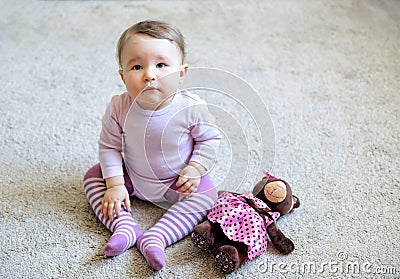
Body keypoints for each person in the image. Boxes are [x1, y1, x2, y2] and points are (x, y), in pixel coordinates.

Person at [83, 20, 221, 271]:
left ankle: (156, 237)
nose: (149, 74)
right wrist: (114, 185)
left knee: (207, 196)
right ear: (123, 76)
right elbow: (109, 147)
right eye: (137, 66)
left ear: (182, 72)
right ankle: (123, 226)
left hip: (177, 183)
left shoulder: (190, 108)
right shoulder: (118, 106)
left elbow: (209, 139)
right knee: (93, 176)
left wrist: (195, 168)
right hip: (133, 179)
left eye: (161, 65)